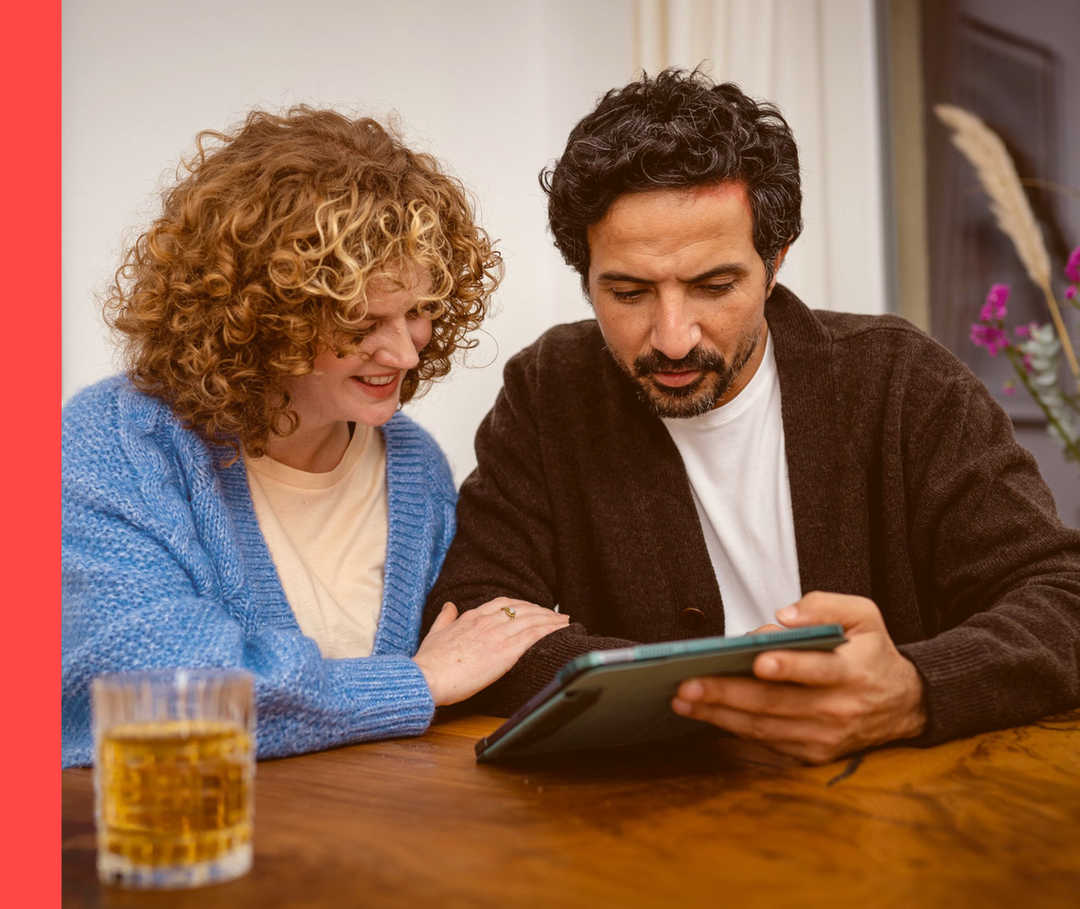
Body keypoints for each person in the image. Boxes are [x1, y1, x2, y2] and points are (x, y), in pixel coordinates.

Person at [422, 70, 1080, 765]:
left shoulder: (902, 380)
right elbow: (474, 615)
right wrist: (705, 690)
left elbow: (1062, 598)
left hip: (894, 799)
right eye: (629, 292)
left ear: (775, 262)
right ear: (585, 275)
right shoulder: (549, 389)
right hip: (651, 808)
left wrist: (914, 689)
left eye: (714, 286)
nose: (673, 337)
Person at [61, 108, 568, 767]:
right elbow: (164, 696)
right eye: (361, 321)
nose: (406, 353)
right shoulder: (113, 444)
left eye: (418, 311)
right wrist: (414, 682)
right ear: (261, 319)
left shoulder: (414, 464)